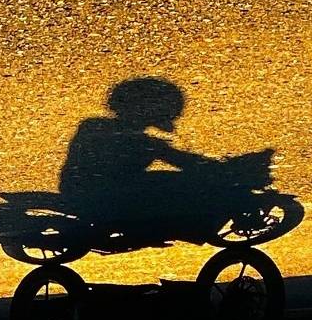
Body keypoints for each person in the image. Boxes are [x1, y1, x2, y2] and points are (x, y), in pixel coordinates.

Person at [57, 78, 212, 235]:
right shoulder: (121, 135)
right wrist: (213, 167)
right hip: (97, 196)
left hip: (88, 191)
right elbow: (177, 158)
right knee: (172, 183)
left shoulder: (96, 126)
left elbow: (176, 156)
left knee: (164, 179)